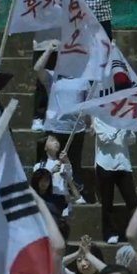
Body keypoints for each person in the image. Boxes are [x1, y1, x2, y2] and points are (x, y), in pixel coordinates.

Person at [33, 46, 90, 200]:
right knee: (50, 162)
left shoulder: (84, 80)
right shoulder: (53, 77)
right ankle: (44, 191)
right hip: (54, 129)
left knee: (73, 164)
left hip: (76, 130)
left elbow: (88, 103)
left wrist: (91, 123)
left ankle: (75, 193)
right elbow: (38, 68)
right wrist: (48, 50)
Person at [92, 116, 137, 243]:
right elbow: (105, 139)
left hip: (123, 163)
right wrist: (119, 127)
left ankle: (136, 231)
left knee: (132, 201)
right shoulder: (99, 119)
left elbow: (132, 140)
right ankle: (109, 233)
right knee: (107, 202)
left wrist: (128, 130)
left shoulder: (124, 119)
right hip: (105, 164)